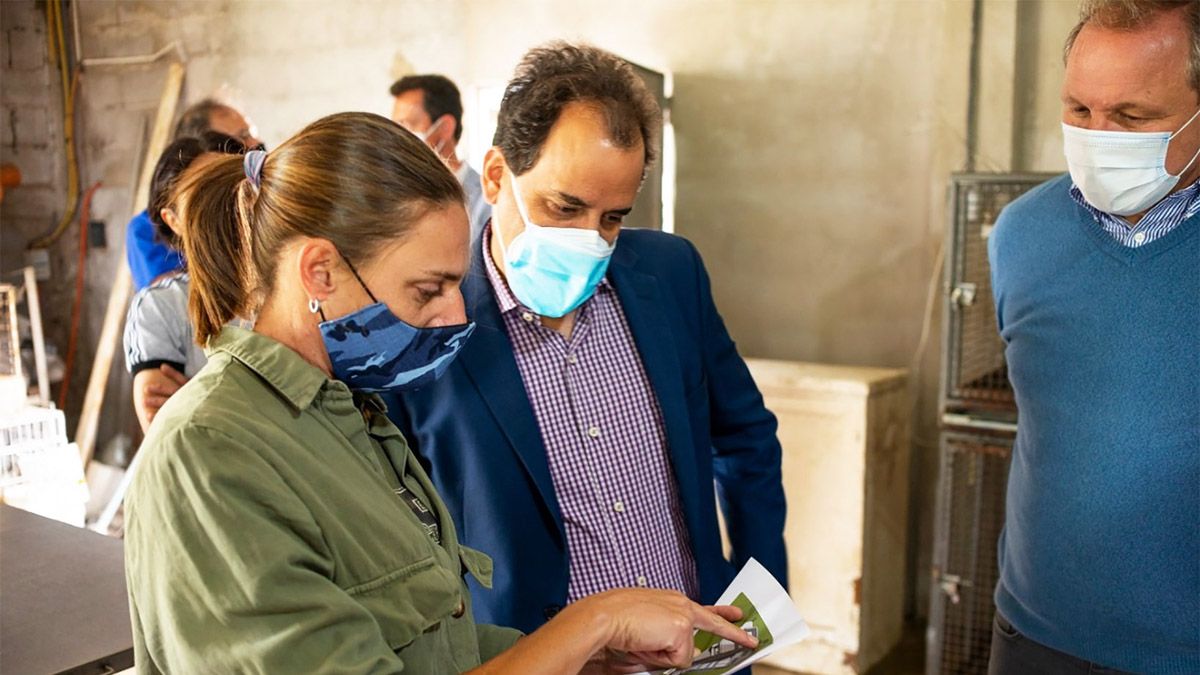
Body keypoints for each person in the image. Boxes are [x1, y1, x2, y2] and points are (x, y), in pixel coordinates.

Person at [123, 111, 756, 674]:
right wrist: (593, 623)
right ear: (320, 271)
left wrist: (582, 658)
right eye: (427, 290)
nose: (455, 316)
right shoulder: (213, 452)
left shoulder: (349, 416)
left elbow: (433, 644)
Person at [387, 42, 788, 635]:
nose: (590, 241)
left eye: (612, 217)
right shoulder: (423, 325)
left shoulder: (671, 275)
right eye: (564, 207)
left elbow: (746, 439)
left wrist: (762, 602)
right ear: (496, 176)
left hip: (697, 648)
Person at [987, 1, 1199, 673]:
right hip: (1032, 632)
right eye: (1079, 111)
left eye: (1133, 117)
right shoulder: (1020, 234)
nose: (1100, 135)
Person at [123, 131, 247, 432]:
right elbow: (171, 429)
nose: (224, 206)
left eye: (234, 187)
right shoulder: (161, 306)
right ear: (173, 219)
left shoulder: (294, 285)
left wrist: (201, 397)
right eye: (203, 195)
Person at [124, 98, 263, 291]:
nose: (256, 143)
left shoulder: (262, 204)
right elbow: (175, 302)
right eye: (242, 136)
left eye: (252, 134)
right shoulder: (146, 229)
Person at [390, 74, 491, 241]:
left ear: (444, 128)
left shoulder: (487, 202)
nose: (399, 136)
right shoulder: (398, 197)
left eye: (406, 125)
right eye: (396, 127)